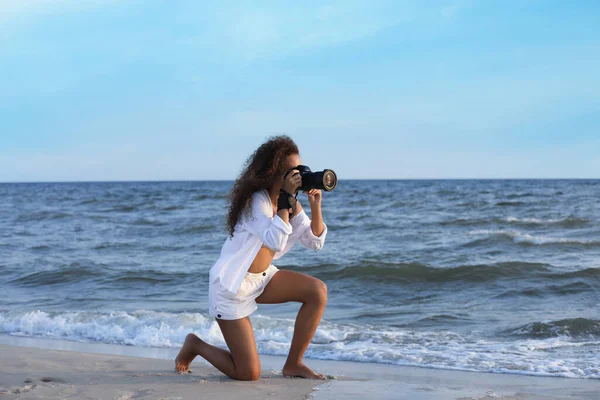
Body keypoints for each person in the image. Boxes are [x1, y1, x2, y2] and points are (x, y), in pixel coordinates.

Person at [175, 135, 329, 381]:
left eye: (299, 170)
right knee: (248, 373)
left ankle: (294, 364)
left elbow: (315, 241)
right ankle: (196, 345)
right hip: (232, 289)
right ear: (273, 173)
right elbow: (275, 240)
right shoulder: (255, 202)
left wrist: (315, 205)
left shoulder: (289, 202)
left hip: (263, 280)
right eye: (292, 172)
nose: (298, 176)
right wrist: (284, 201)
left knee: (317, 291)